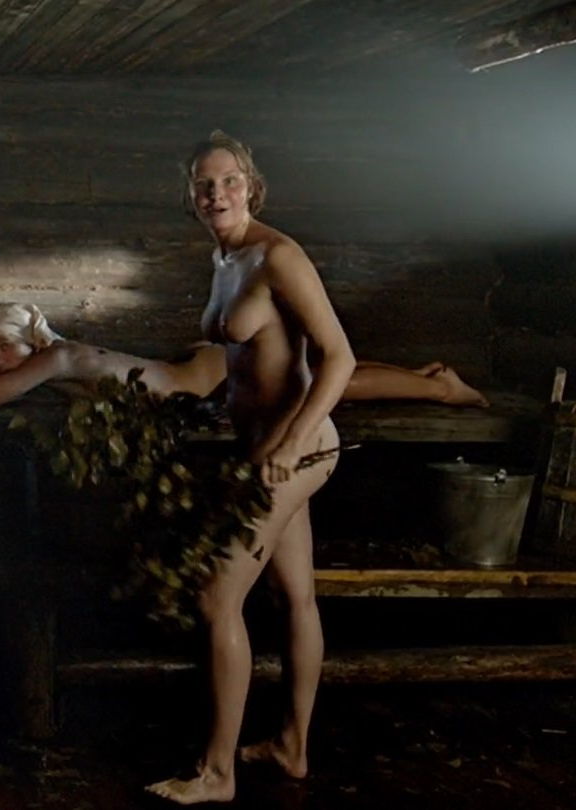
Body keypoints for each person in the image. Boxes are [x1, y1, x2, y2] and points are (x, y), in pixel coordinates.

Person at [138, 130, 357, 805]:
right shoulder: (225, 257)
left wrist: (289, 446)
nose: (217, 194)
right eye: (204, 184)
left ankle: (217, 774)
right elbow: (247, 356)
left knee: (215, 597)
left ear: (251, 185)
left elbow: (340, 358)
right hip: (260, 449)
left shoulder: (277, 256)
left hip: (296, 450)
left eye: (229, 181)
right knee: (294, 596)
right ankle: (292, 746)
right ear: (191, 195)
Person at [0, 302, 487, 411]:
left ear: (31, 341)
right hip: (197, 371)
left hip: (204, 382)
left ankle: (440, 388)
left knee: (328, 384)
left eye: (3, 346)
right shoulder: (48, 362)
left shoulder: (57, 357)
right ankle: (424, 375)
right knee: (315, 375)